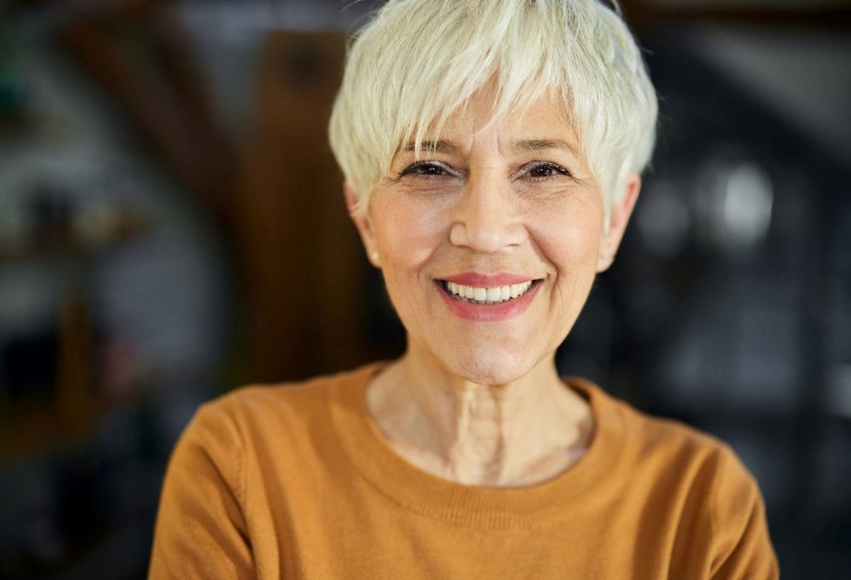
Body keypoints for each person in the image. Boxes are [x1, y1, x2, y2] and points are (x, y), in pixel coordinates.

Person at [149, 0, 779, 577]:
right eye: (429, 167)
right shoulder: (241, 467)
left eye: (543, 170)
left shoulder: (701, 507)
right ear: (366, 217)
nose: (484, 229)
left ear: (614, 218)